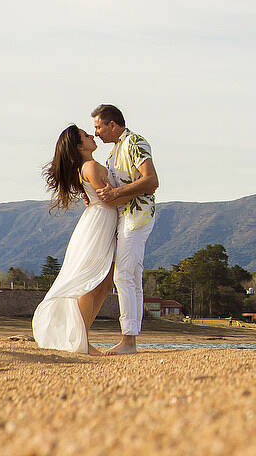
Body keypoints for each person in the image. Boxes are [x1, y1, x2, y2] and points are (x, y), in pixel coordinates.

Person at [32, 125, 118, 354]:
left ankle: (82, 337)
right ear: (79, 146)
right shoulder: (89, 166)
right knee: (90, 284)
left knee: (105, 283)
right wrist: (140, 191)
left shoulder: (87, 166)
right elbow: (110, 199)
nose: (91, 135)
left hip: (100, 222)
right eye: (85, 135)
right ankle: (82, 340)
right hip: (99, 224)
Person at [91, 103, 159, 356]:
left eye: (98, 127)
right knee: (132, 276)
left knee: (124, 275)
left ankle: (128, 341)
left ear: (113, 124)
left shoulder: (134, 142)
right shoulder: (115, 151)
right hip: (126, 217)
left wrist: (116, 192)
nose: (96, 133)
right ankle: (131, 338)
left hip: (137, 217)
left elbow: (151, 181)